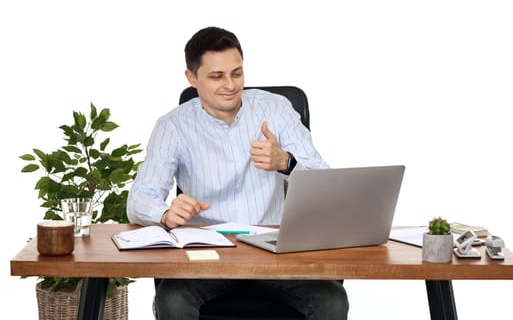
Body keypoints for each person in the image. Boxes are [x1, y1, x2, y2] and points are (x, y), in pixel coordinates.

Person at [127, 26, 349, 320]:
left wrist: (286, 162)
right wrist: (166, 213)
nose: (230, 85)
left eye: (237, 73)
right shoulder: (173, 126)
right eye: (217, 76)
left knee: (332, 300)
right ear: (192, 78)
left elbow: (325, 181)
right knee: (173, 300)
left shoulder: (276, 109)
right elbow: (138, 200)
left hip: (274, 252)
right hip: (209, 256)